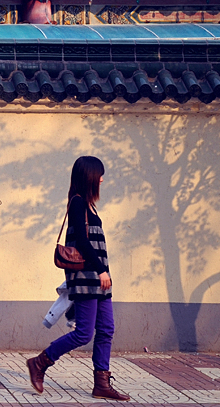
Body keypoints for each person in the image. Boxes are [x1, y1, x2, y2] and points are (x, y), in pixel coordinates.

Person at [26, 156, 130, 401]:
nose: (102, 179)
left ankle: (102, 384)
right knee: (84, 333)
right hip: (87, 278)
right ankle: (40, 362)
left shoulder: (90, 206)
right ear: (90, 177)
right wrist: (101, 270)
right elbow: (82, 242)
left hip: (99, 278)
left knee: (106, 329)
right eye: (100, 175)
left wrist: (105, 272)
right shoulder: (77, 203)